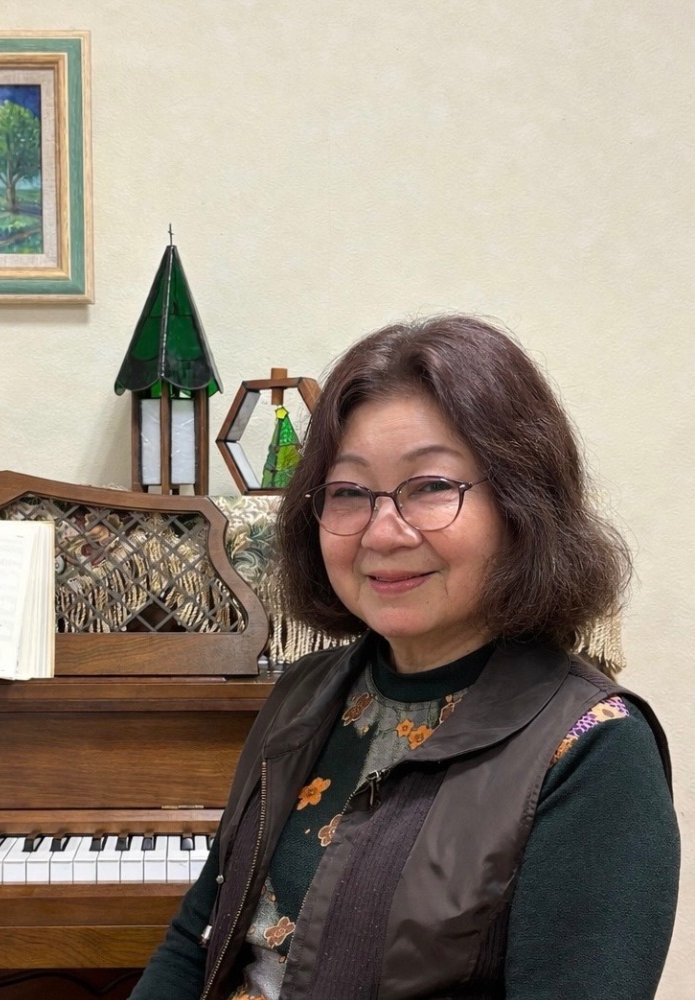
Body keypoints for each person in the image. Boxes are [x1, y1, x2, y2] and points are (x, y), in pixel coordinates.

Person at [129, 314, 679, 1000]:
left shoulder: (595, 749)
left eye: (431, 486)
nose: (383, 533)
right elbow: (198, 937)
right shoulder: (304, 690)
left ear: (521, 505)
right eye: (349, 493)